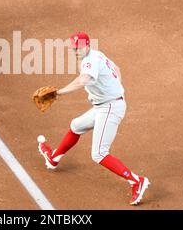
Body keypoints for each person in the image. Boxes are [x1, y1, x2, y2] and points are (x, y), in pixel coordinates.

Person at [38, 32, 150, 205]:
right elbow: (116, 70)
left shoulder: (90, 61)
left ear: (87, 46)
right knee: (76, 125)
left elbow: (84, 79)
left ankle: (136, 181)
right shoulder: (97, 55)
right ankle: (54, 158)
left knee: (98, 154)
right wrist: (112, 88)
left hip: (110, 108)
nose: (76, 50)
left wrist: (59, 92)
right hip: (103, 106)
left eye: (79, 47)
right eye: (74, 48)